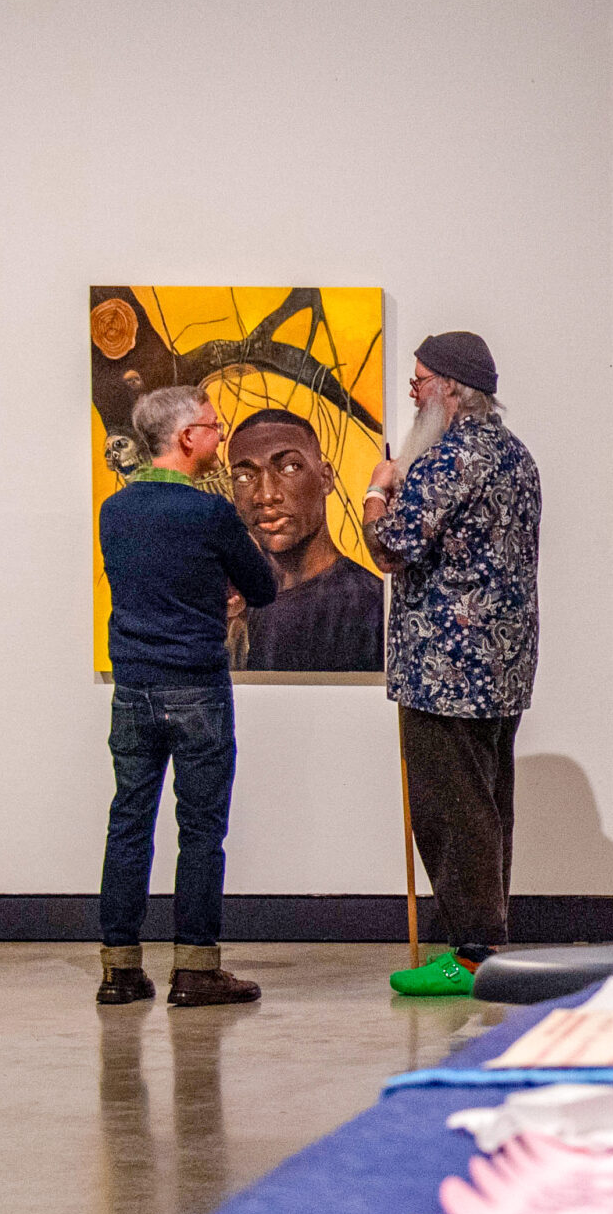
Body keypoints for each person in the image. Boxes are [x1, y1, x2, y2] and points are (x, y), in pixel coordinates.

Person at [363, 332, 541, 999]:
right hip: (503, 662)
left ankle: (470, 954)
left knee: (450, 809)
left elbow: (391, 547)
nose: (414, 396)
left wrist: (377, 491)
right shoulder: (514, 454)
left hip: (446, 669)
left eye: (419, 382)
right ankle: (485, 942)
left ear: (450, 390)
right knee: (487, 804)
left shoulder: (448, 459)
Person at [94, 386, 278, 1007]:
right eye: (212, 424)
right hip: (196, 686)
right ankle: (196, 969)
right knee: (199, 831)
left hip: (133, 688)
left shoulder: (115, 510)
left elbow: (147, 585)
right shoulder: (210, 513)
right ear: (184, 438)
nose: (220, 433)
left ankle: (119, 970)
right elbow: (261, 587)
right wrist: (222, 592)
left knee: (129, 824)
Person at [227, 409, 384, 672]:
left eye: (290, 467)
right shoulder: (232, 606)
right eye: (245, 477)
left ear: (325, 478)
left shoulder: (372, 605)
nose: (265, 495)